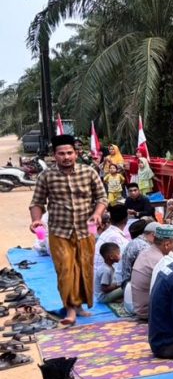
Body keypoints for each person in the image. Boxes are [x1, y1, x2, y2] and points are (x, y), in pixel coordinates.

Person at [29, 134, 107, 325]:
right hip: (59, 231)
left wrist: (98, 214)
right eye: (61, 153)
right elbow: (37, 202)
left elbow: (102, 198)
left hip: (86, 230)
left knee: (84, 268)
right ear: (54, 155)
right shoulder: (46, 176)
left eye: (69, 153)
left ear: (76, 153)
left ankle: (79, 305)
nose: (66, 157)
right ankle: (70, 309)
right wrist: (36, 220)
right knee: (65, 269)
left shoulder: (89, 172)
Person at [130, 225, 173, 320]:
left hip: (139, 306)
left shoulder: (148, 251)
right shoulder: (160, 261)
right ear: (167, 244)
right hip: (148, 311)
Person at [94, 203, 131, 282]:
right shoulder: (121, 240)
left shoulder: (105, 233)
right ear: (126, 219)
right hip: (103, 284)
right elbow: (120, 270)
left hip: (94, 278)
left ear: (110, 220)